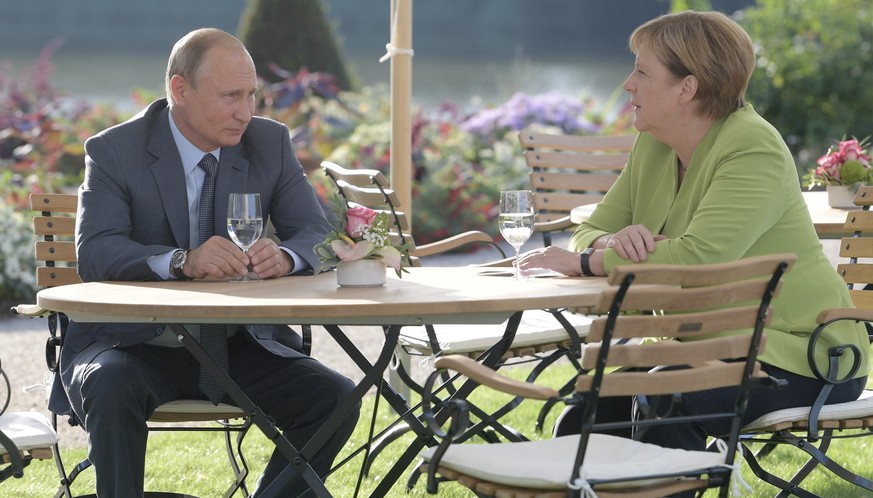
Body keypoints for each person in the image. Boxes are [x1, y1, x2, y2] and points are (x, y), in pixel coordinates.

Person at [518, 10, 869, 455]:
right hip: (704, 343)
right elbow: (588, 229)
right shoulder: (654, 142)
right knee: (584, 414)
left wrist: (586, 262)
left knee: (670, 398)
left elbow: (701, 259)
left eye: (643, 72)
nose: (628, 84)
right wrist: (611, 242)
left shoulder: (752, 146)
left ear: (687, 87)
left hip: (801, 352)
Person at [47, 28, 359, 497]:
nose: (245, 112)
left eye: (252, 95)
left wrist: (288, 256)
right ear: (179, 90)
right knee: (110, 386)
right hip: (134, 347)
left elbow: (315, 234)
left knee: (334, 398)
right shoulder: (114, 150)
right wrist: (180, 261)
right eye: (231, 96)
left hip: (238, 347)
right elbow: (96, 251)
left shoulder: (268, 142)